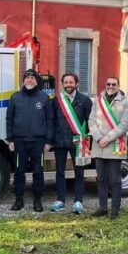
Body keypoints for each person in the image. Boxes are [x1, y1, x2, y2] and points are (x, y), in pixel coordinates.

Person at [6, 68, 53, 212]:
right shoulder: (15, 98)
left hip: (38, 143)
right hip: (20, 142)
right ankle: (18, 200)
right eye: (27, 78)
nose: (29, 80)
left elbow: (50, 120)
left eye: (32, 78)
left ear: (36, 81)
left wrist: (48, 141)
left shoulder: (44, 98)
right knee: (19, 172)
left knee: (38, 171)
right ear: (24, 80)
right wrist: (10, 139)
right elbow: (9, 119)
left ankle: (37, 201)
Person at [89, 77, 128, 219]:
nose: (111, 86)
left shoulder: (125, 102)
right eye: (108, 84)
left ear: (118, 86)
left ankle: (114, 209)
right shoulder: (98, 100)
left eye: (114, 84)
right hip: (99, 145)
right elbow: (91, 120)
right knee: (100, 178)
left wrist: (107, 138)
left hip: (114, 145)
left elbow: (125, 125)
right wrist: (99, 138)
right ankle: (102, 207)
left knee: (114, 179)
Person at [50, 73, 92, 214]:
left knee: (79, 172)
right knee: (59, 172)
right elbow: (52, 121)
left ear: (77, 84)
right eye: (66, 82)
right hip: (59, 141)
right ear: (63, 84)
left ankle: (78, 201)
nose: (68, 85)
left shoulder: (85, 100)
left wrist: (84, 138)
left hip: (77, 142)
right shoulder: (56, 100)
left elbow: (90, 121)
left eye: (71, 82)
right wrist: (51, 139)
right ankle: (60, 200)